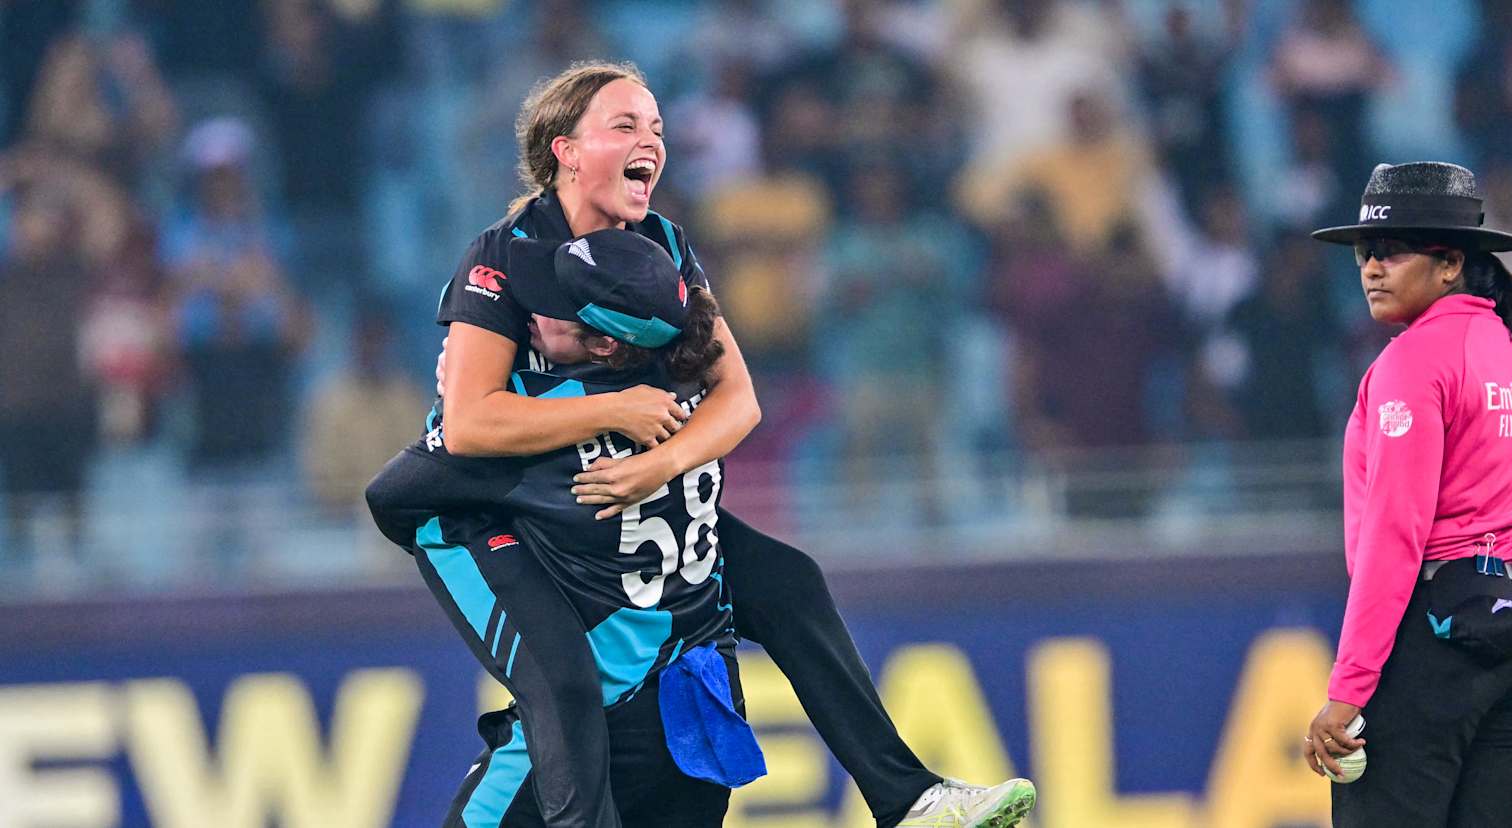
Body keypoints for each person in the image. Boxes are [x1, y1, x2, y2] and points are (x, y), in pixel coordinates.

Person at [432, 60, 1033, 828]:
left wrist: (658, 462)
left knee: (786, 582)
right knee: (576, 700)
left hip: (642, 511)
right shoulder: (501, 259)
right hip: (541, 522)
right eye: (626, 125)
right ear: (566, 150)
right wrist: (615, 415)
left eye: (657, 128)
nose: (652, 142)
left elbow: (737, 397)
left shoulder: (663, 245)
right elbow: (468, 425)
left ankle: (909, 799)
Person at [370, 229, 755, 826]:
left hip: (593, 722)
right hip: (702, 715)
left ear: (602, 344)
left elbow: (392, 496)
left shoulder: (541, 413)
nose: (529, 306)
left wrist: (460, 401)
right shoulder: (698, 389)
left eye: (552, 304)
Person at [1302, 162, 1512, 827]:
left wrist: (1349, 688)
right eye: (1365, 253)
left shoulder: (1412, 362)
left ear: (1450, 263)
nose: (1372, 268)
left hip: (1442, 637)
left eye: (1392, 251)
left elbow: (1396, 533)